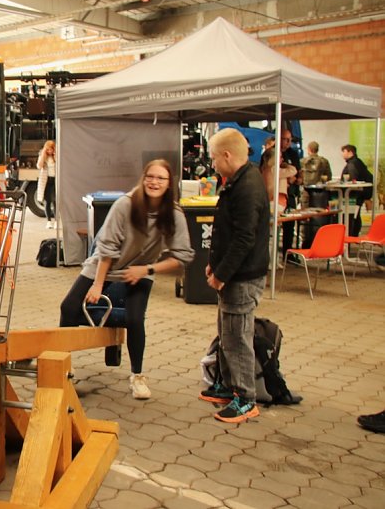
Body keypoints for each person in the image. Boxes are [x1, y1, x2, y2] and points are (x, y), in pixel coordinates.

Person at [59, 159, 194, 399]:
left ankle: (137, 376)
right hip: (104, 265)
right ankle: (63, 372)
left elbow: (182, 257)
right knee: (68, 307)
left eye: (160, 178)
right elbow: (106, 248)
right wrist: (98, 285)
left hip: (140, 270)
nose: (154, 182)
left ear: (169, 183)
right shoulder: (126, 204)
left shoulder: (173, 214)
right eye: (149, 176)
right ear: (143, 178)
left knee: (134, 318)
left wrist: (147, 270)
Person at [200, 128, 270, 423]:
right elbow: (228, 233)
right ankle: (228, 387)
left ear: (227, 155)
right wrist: (214, 265)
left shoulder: (247, 187)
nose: (213, 164)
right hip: (233, 275)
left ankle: (245, 398)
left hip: (242, 278)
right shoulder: (240, 180)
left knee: (237, 337)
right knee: (227, 333)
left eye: (214, 158)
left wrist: (222, 274)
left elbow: (244, 238)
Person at [340, 144, 373, 237]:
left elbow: (352, 179)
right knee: (356, 215)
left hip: (354, 195)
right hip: (360, 194)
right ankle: (354, 234)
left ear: (350, 152)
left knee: (353, 216)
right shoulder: (358, 162)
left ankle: (352, 235)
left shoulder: (352, 164)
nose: (342, 154)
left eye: (344, 152)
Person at [260, 147, 297, 213]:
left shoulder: (264, 169)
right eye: (280, 157)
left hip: (270, 201)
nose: (282, 159)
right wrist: (286, 165)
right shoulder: (274, 169)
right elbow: (293, 171)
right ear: (274, 158)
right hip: (276, 203)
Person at [37, 140, 57, 228]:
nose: (49, 151)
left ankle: (56, 220)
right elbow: (39, 166)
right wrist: (43, 155)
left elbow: (60, 165)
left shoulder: (56, 156)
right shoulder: (43, 156)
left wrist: (56, 154)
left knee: (56, 201)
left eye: (51, 150)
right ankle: (49, 221)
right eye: (48, 150)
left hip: (55, 180)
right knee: (47, 201)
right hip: (46, 180)